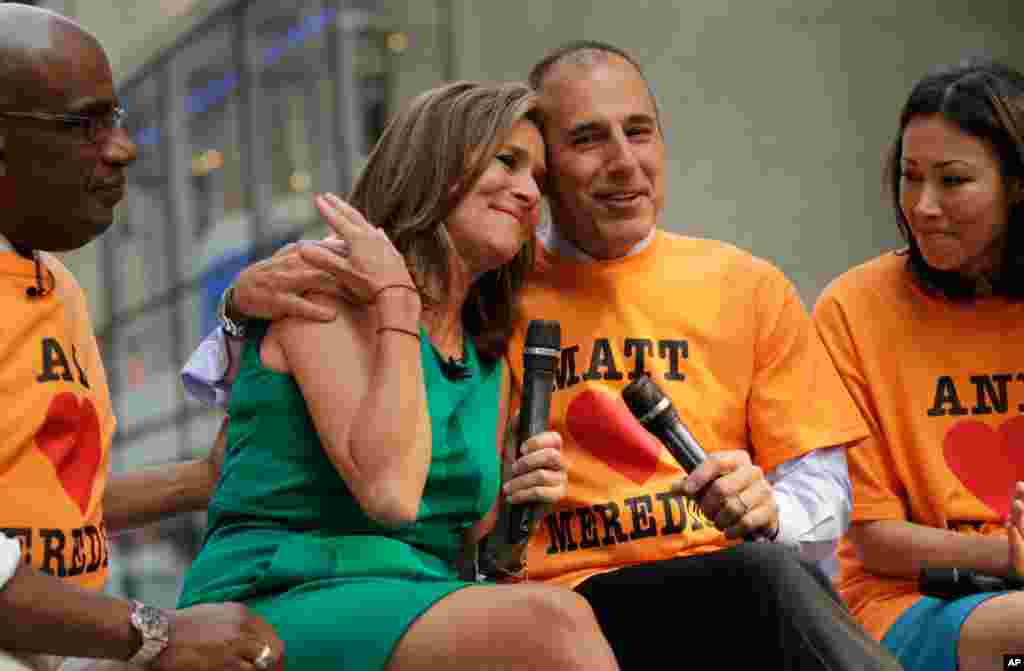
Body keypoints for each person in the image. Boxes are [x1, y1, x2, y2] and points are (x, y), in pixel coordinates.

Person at [196, 42, 901, 670]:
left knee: (773, 573)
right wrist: (233, 311)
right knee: (761, 582)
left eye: (640, 132)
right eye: (587, 140)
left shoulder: (486, 323)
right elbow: (271, 424)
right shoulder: (462, 296)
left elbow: (823, 496)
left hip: (667, 578)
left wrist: (769, 505)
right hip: (544, 596)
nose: (622, 162)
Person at [176, 80, 620, 671]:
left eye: (538, 179)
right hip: (275, 596)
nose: (526, 191)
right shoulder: (322, 294)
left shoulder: (487, 360)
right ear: (434, 165)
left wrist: (521, 514)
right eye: (507, 161)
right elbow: (389, 493)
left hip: (421, 595)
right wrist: (396, 300)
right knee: (556, 624)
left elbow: (476, 549)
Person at [0, 5, 284, 671]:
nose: (122, 148)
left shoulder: (55, 286)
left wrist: (203, 479)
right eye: (85, 124)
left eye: (116, 119)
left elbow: (58, 504)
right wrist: (156, 630)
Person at [813, 59, 1024, 671]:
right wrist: (1011, 559)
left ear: (1016, 184)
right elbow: (873, 540)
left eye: (953, 180)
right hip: (902, 603)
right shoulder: (853, 308)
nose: (923, 206)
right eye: (910, 177)